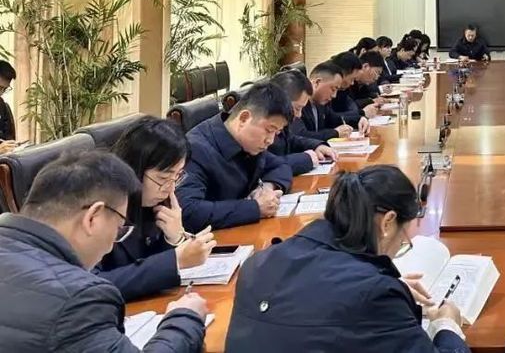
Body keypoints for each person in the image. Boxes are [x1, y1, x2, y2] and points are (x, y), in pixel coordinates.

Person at [226, 165, 471, 353]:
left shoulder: (257, 264)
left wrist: (379, 285)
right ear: (387, 223)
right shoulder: (377, 294)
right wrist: (447, 326)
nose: (399, 247)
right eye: (403, 239)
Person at [0, 150, 207, 351]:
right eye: (119, 229)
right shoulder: (79, 299)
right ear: (93, 218)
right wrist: (184, 318)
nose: (111, 245)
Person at [95, 116, 216, 301]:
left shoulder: (156, 200)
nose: (170, 188)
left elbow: (149, 261)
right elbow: (94, 285)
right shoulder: (99, 206)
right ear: (133, 168)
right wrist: (176, 259)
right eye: (163, 178)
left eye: (177, 176)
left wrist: (173, 239)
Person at [177, 81, 294, 231]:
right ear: (244, 118)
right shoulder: (195, 149)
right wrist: (255, 208)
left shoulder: (249, 143)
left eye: (276, 133)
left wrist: (266, 188)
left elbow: (281, 165)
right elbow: (187, 211)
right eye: (269, 130)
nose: (270, 140)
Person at [269, 70, 336, 175]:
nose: (299, 115)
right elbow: (266, 165)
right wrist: (305, 159)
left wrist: (316, 146)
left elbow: (291, 139)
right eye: (297, 108)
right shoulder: (260, 126)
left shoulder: (281, 124)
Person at [303, 62, 355, 140]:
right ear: (317, 82)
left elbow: (335, 119)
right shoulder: (298, 104)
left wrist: (359, 119)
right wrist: (335, 133)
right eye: (333, 89)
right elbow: (301, 135)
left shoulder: (320, 104)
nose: (334, 96)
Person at [0, 58, 17, 146]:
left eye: (5, 89)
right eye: (0, 88)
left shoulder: (2, 105)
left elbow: (8, 137)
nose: (1, 93)